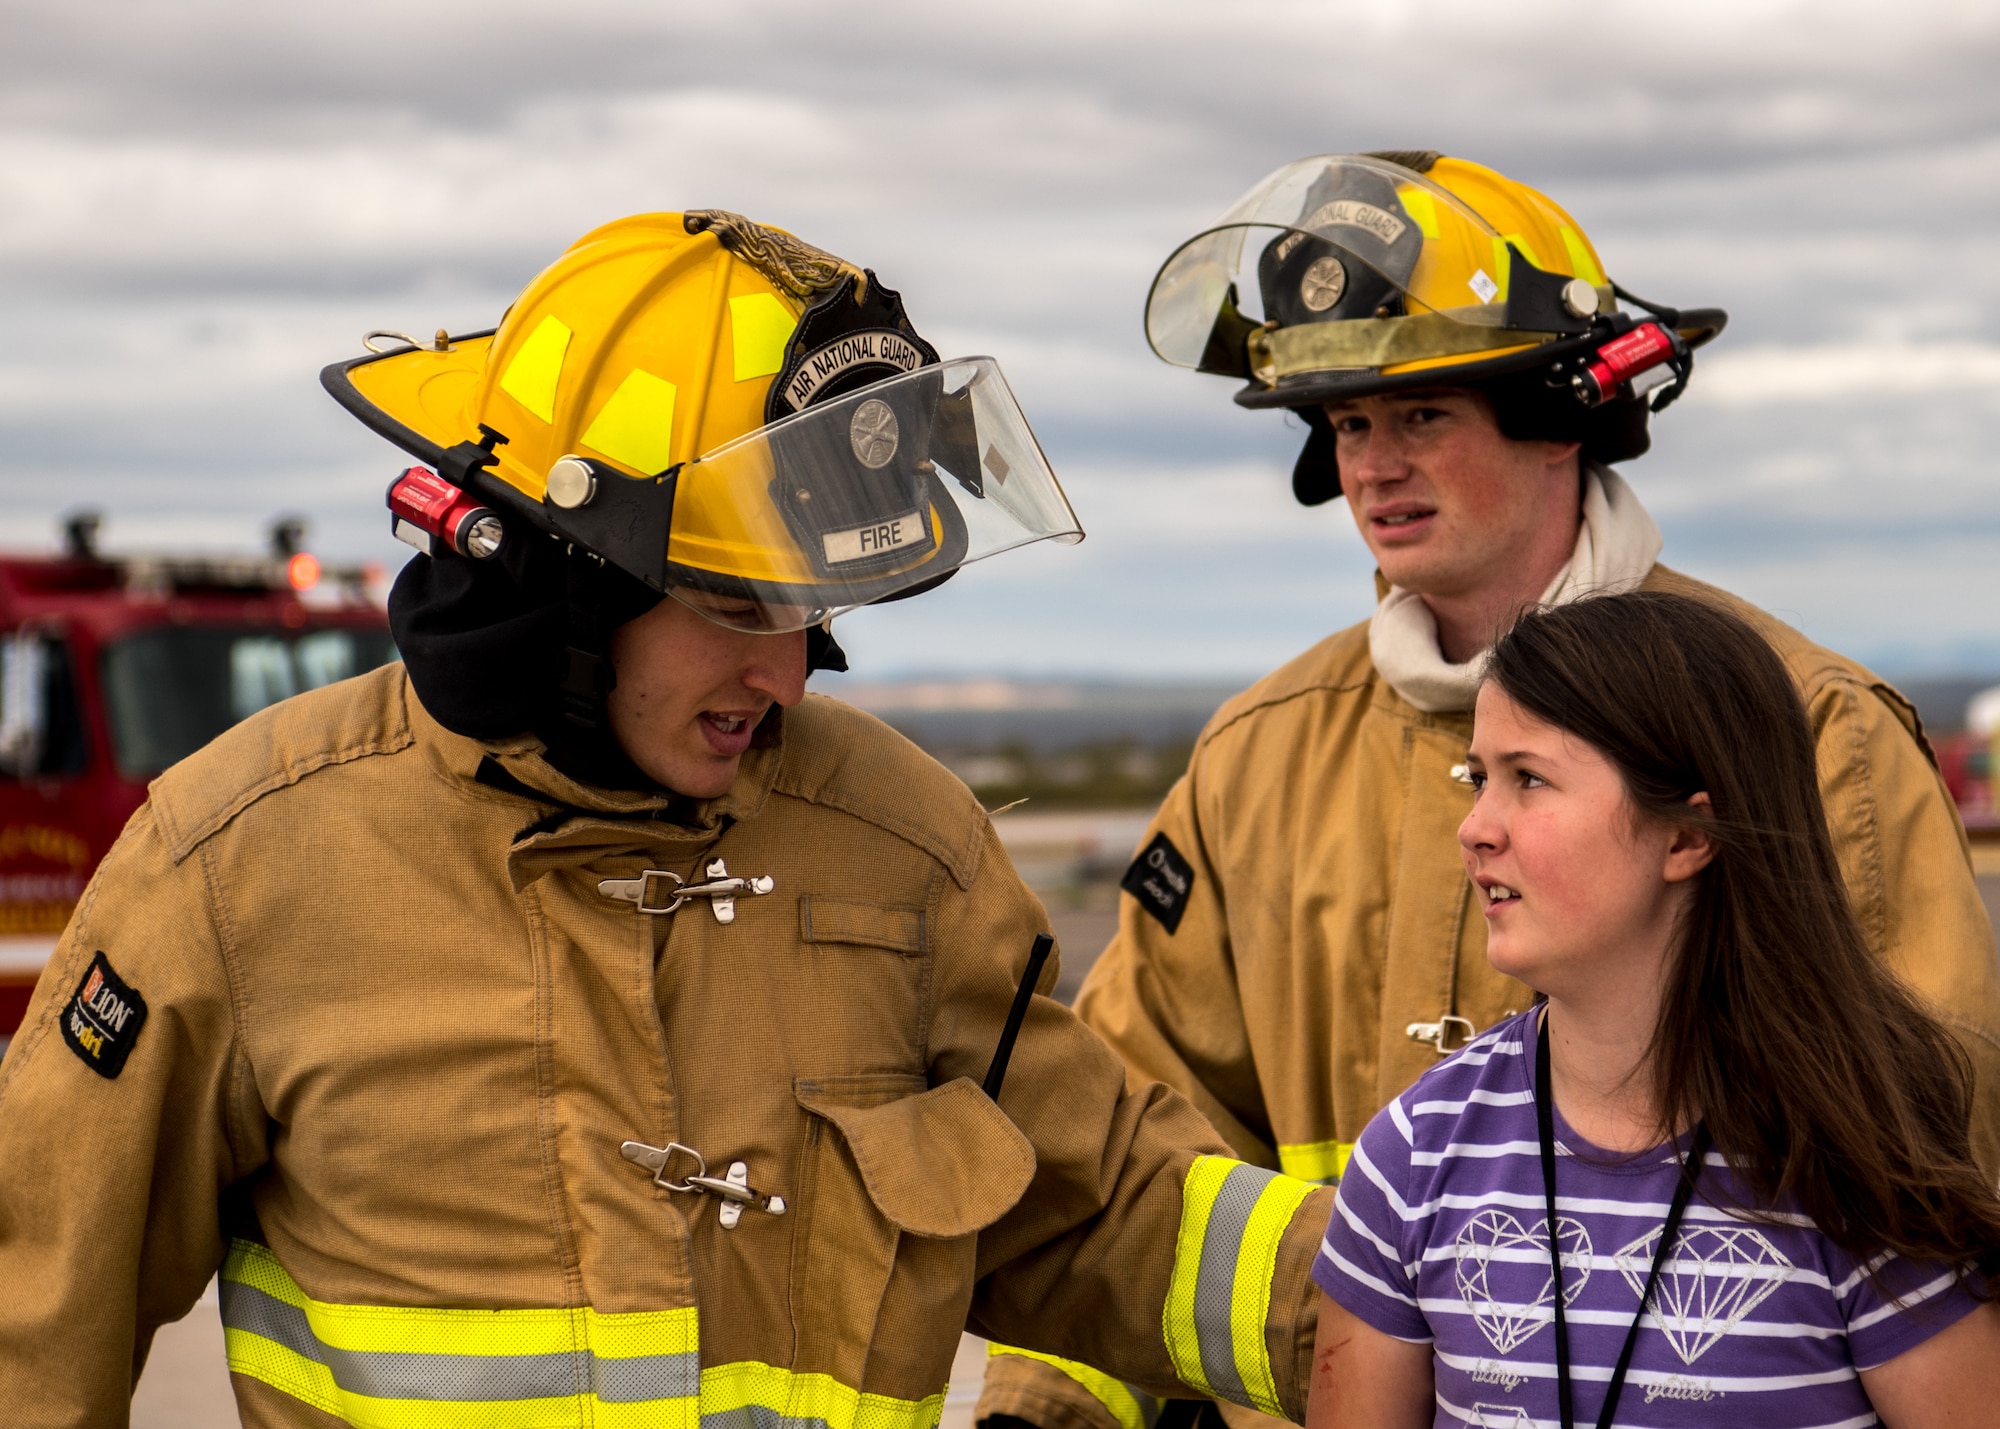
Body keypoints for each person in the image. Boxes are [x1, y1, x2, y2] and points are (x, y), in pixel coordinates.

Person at [0, 212, 1334, 1426]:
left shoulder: (902, 847)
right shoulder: (236, 863)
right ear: (565, 578)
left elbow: (1100, 1211)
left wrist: (1409, 1314)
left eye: (816, 613)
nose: (790, 671)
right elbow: (34, 1324)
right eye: (745, 603)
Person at [978, 152, 2000, 1429]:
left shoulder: (1806, 735)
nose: (1371, 466)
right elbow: (1128, 1141)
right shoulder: (1255, 756)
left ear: (1560, 417)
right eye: (1346, 425)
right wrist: (1045, 1411)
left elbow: (1937, 1148)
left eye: (1420, 416)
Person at [1311, 590, 2000, 1428]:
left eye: (1529, 778)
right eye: (1477, 778)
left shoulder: (1850, 1167)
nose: (1477, 827)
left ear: (1687, 838)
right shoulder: (1414, 1155)